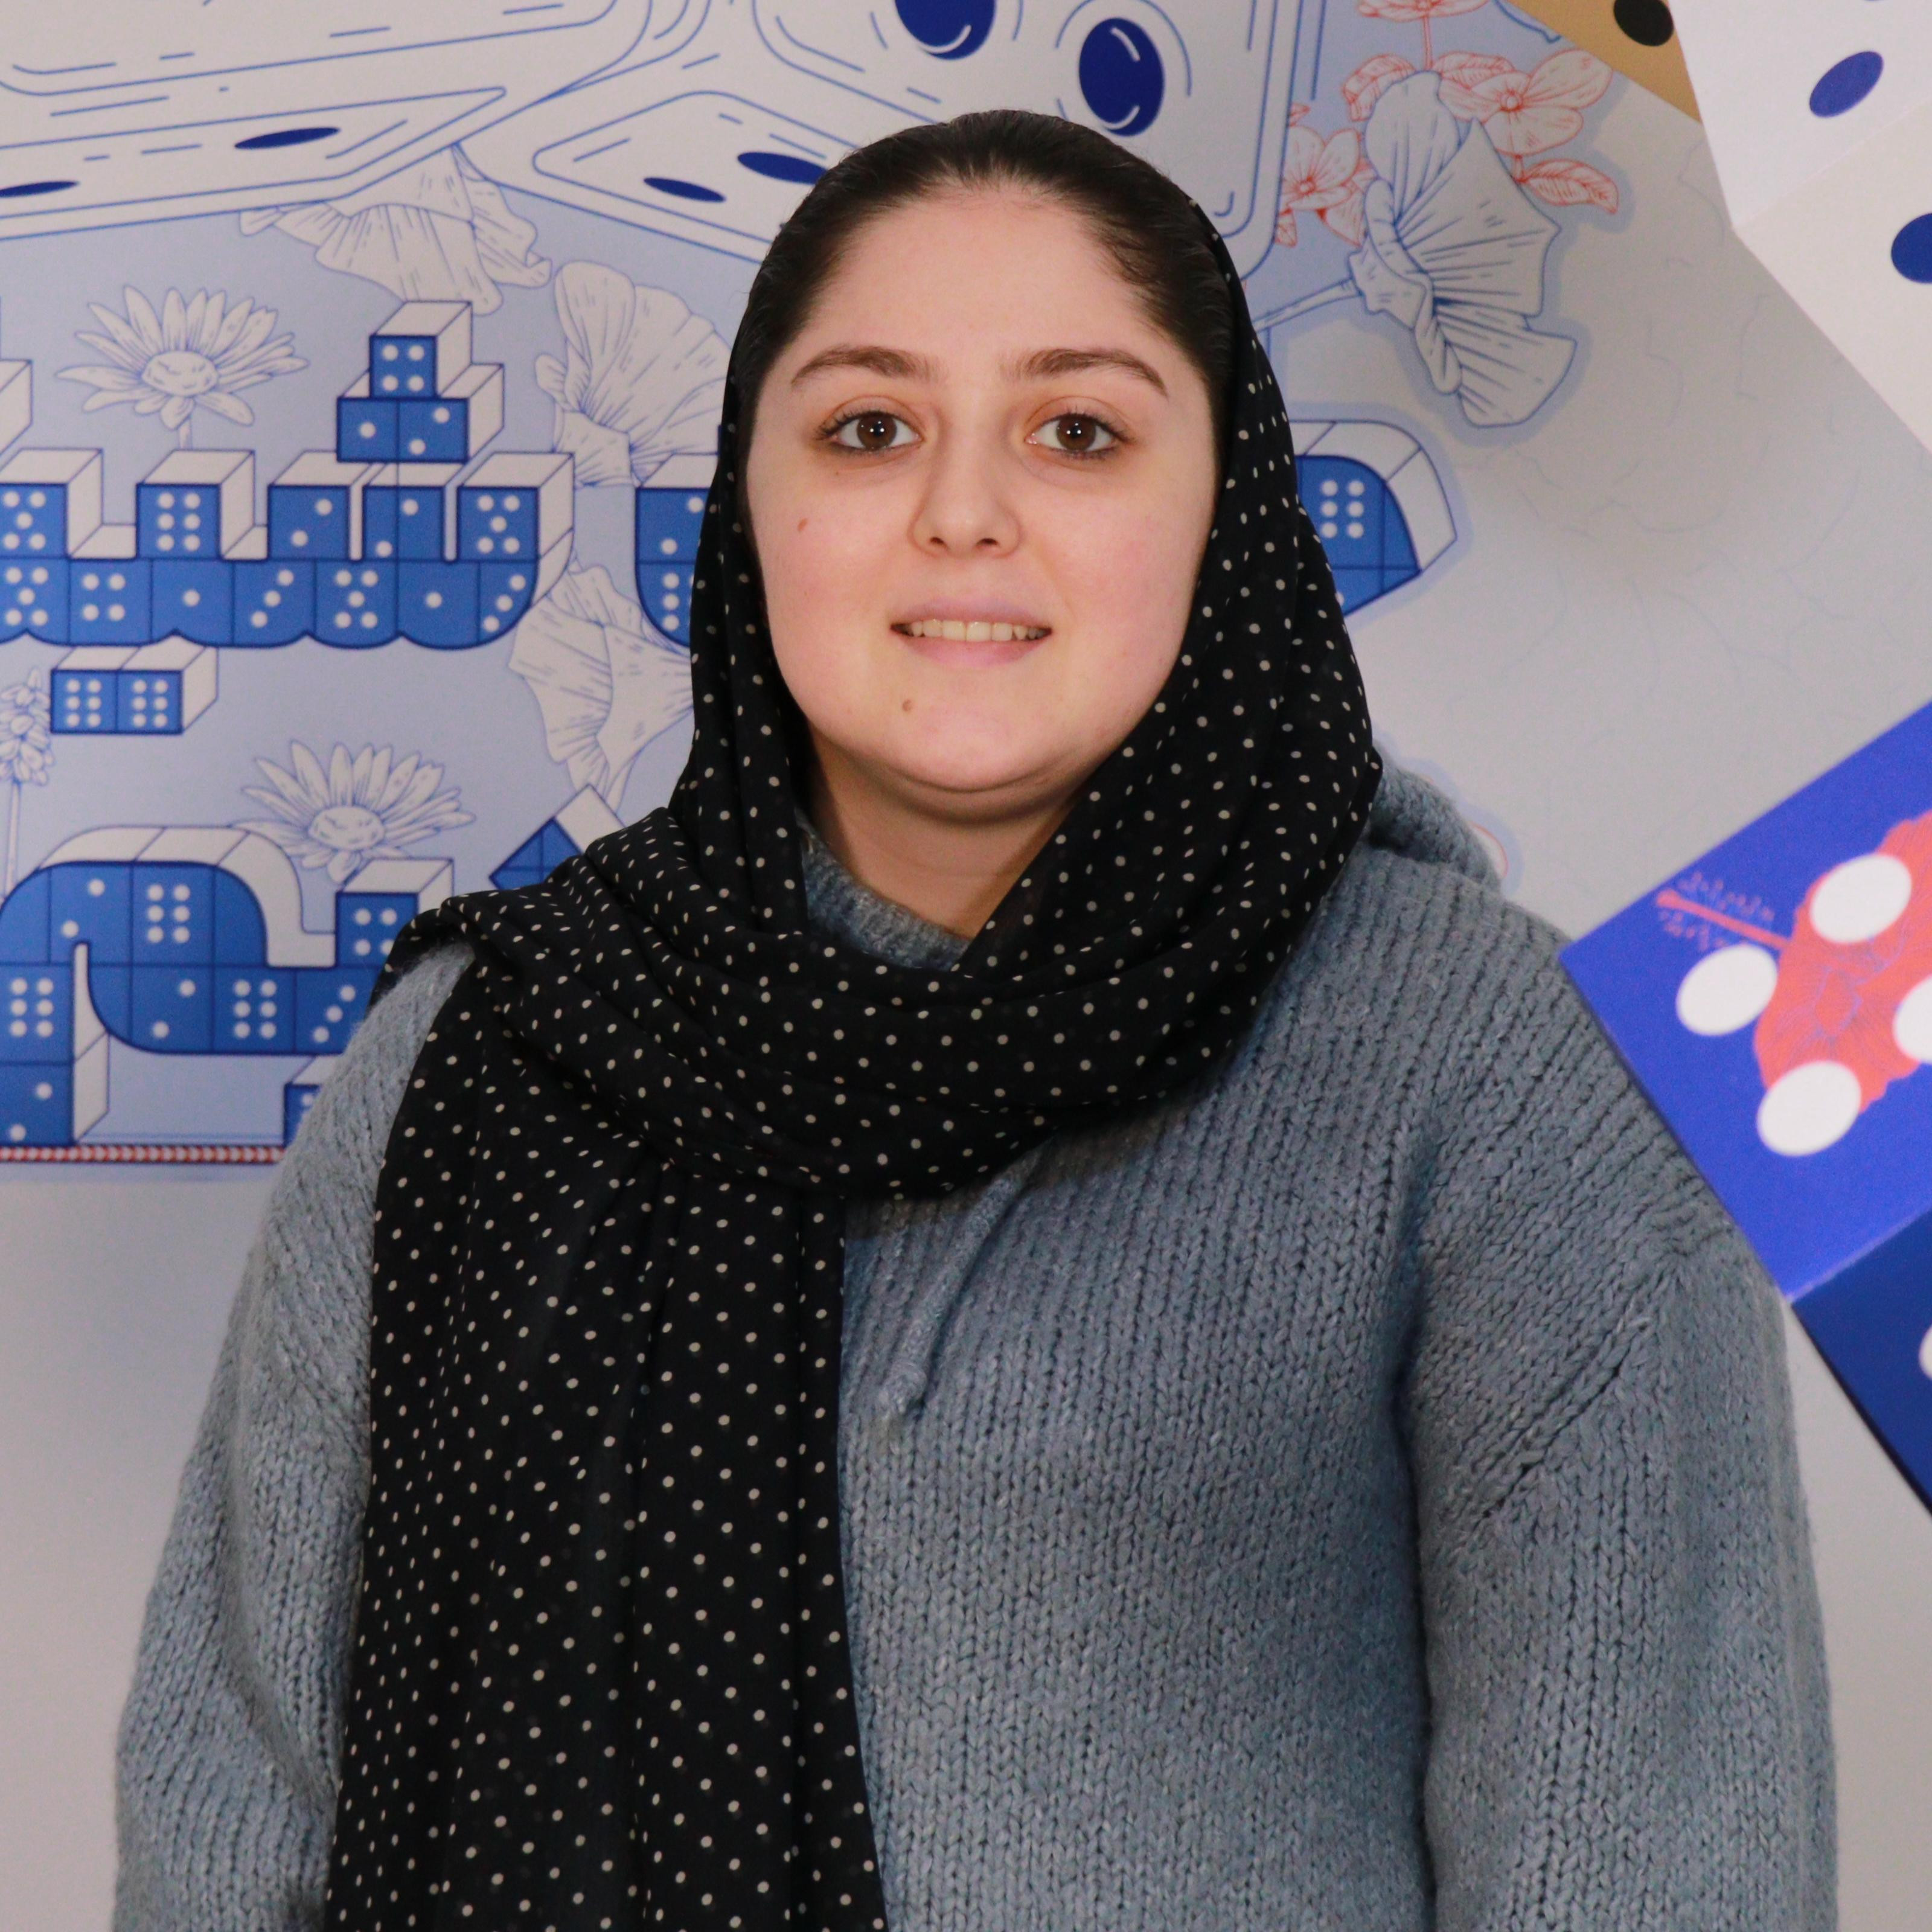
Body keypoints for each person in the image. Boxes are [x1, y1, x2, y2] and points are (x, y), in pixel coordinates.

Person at [112, 110, 1833, 1931]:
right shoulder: (490, 1049)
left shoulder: (1495, 1068)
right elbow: (232, 1820)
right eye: (869, 427)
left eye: (1079, 431)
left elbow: (1660, 1855)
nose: (961, 511)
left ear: (1228, 504)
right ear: (750, 501)